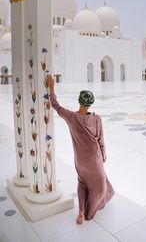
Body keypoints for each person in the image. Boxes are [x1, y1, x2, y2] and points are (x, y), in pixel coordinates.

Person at [46, 75, 115, 224]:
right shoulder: (97, 119)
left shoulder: (71, 117)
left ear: (79, 101)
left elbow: (55, 105)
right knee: (100, 187)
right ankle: (90, 212)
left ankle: (81, 211)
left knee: (82, 181)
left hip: (80, 160)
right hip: (95, 158)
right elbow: (101, 140)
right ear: (91, 103)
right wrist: (103, 156)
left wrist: (51, 87)